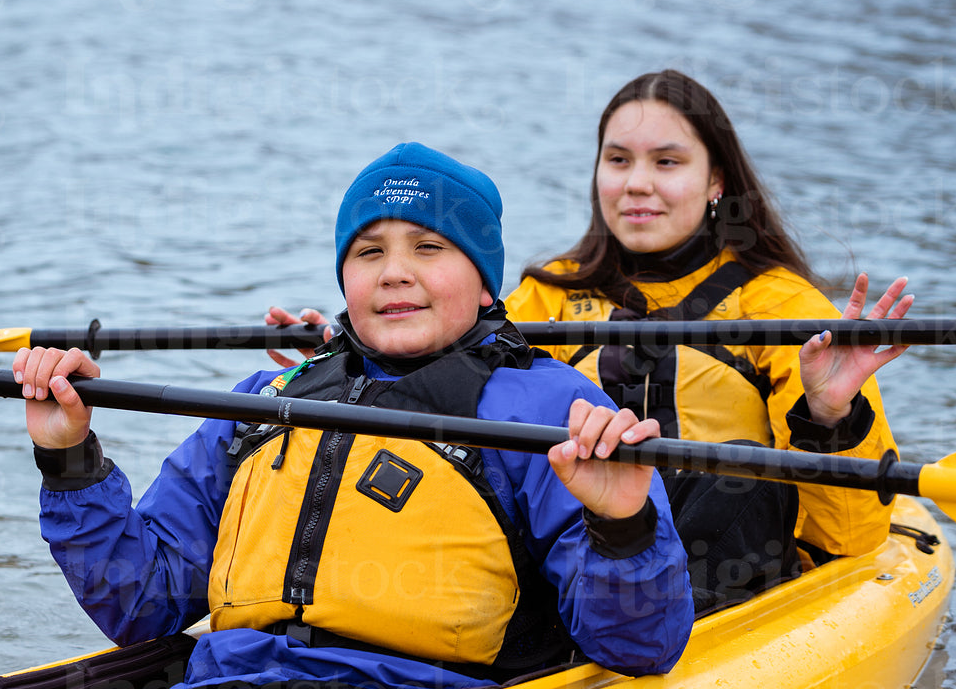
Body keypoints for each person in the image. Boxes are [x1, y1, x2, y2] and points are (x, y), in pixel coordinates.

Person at [18, 143, 693, 689]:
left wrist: (623, 523)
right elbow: (140, 604)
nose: (394, 270)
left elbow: (640, 649)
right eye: (369, 251)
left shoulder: (551, 411)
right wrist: (68, 454)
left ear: (486, 286)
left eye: (429, 247)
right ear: (345, 276)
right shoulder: (266, 401)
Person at [271, 73, 910, 615]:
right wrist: (351, 356)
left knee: (733, 477)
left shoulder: (782, 308)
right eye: (618, 160)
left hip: (730, 569)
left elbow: (848, 540)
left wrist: (829, 414)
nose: (635, 183)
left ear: (717, 181)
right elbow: (441, 380)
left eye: (667, 162)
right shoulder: (546, 297)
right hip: (580, 550)